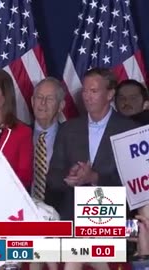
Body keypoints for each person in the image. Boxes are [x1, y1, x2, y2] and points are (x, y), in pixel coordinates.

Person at [45, 68, 138, 221]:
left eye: (93, 91)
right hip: (73, 220)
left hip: (112, 220)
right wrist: (70, 176)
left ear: (110, 94)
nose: (87, 97)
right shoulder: (68, 129)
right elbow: (53, 177)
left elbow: (136, 185)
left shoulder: (130, 130)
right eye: (85, 91)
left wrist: (94, 178)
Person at [29, 77, 65, 270]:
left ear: (61, 106)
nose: (42, 103)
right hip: (22, 216)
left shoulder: (72, 135)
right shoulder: (17, 133)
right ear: (32, 101)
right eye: (39, 97)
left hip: (60, 215)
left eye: (49, 99)